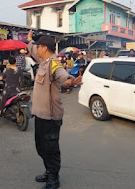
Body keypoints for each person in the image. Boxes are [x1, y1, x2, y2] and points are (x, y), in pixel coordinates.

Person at [27, 30, 82, 189]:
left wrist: (70, 81)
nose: (36, 49)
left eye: (38, 47)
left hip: (51, 116)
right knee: (41, 146)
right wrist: (30, 39)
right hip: (40, 114)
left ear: (44, 48)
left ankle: (54, 178)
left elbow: (62, 76)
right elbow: (31, 48)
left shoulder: (54, 63)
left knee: (51, 148)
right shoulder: (42, 61)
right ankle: (48, 170)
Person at [0, 55, 22, 127]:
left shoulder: (7, 70)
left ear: (9, 62)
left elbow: (1, 78)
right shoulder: (19, 69)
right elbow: (21, 79)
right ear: (15, 62)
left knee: (1, 103)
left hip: (8, 90)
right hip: (17, 90)